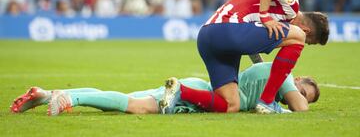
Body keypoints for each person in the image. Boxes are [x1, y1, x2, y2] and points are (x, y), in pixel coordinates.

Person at [160, 0, 329, 115]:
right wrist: (264, 15)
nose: (305, 43)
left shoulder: (277, 21)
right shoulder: (292, 8)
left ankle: (179, 91)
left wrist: (261, 66)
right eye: (309, 41)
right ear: (308, 31)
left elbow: (251, 38)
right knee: (296, 36)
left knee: (231, 104)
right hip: (226, 29)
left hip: (207, 37)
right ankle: (267, 102)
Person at [10, 62, 319, 116]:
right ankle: (71, 98)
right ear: (300, 79)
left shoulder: (267, 80)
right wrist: (297, 105)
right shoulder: (284, 75)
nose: (300, 98)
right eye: (305, 90)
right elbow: (301, 109)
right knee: (135, 106)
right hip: (194, 95)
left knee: (129, 100)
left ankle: (45, 95)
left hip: (200, 90)